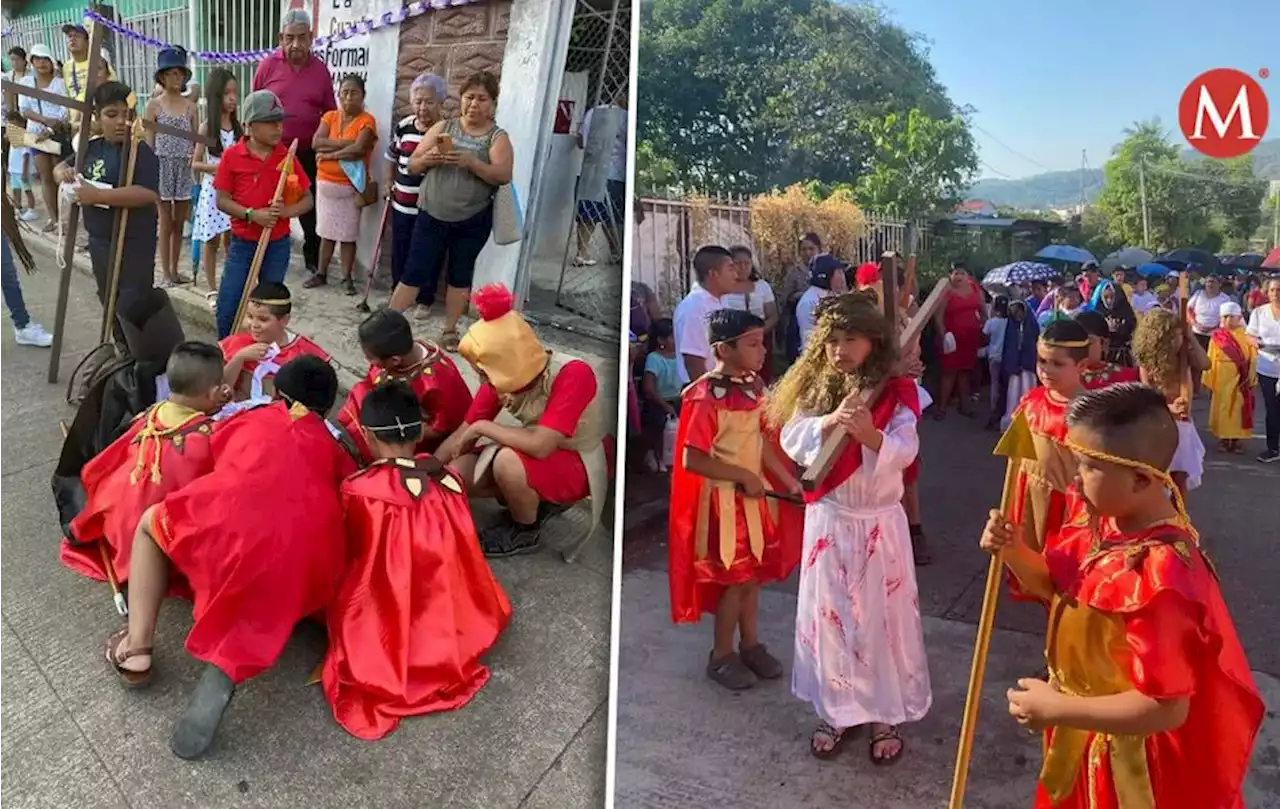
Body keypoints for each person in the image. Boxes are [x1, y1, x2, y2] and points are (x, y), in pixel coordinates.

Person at [981, 383, 1263, 809]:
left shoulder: (1162, 574)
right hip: (1080, 738)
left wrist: (1058, 709)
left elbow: (1166, 708)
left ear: (1140, 479)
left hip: (1129, 767)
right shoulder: (1101, 520)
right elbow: (1059, 589)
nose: (1073, 477)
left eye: (1087, 466)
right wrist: (1014, 552)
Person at [105, 355, 355, 759]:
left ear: (276, 393)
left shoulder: (252, 418)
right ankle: (243, 636)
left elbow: (208, 457)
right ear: (327, 409)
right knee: (278, 558)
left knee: (153, 524)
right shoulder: (333, 446)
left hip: (236, 536)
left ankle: (137, 648)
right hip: (317, 568)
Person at [771, 292, 928, 764]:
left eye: (851, 339)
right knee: (834, 618)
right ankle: (838, 709)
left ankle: (885, 712)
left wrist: (871, 437)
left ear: (873, 342)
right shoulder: (816, 391)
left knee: (882, 620)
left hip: (878, 523)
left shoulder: (897, 391)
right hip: (831, 522)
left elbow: (906, 447)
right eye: (833, 340)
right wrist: (827, 424)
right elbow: (790, 436)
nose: (840, 349)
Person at [320, 381, 511, 741]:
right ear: (420, 429)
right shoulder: (446, 476)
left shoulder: (360, 490)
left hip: (392, 591)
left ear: (367, 434)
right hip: (444, 590)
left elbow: (353, 551)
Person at [669, 308, 801, 690]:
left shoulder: (754, 387)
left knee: (753, 577)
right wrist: (743, 476)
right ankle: (721, 654)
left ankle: (751, 644)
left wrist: (786, 481)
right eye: (753, 344)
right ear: (723, 350)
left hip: (755, 500)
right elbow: (692, 457)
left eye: (762, 343)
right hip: (724, 506)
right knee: (735, 579)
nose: (762, 351)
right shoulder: (703, 396)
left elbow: (760, 443)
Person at [436, 284, 611, 557]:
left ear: (505, 360)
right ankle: (532, 499)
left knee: (508, 462)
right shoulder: (502, 379)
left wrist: (484, 428)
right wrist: (426, 473)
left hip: (579, 458)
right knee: (455, 474)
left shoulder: (574, 374)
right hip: (533, 452)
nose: (481, 379)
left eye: (482, 371)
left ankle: (525, 530)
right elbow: (463, 433)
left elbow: (541, 445)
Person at [60, 341, 225, 588]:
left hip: (116, 523)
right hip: (150, 543)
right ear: (214, 394)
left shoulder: (150, 415)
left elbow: (105, 462)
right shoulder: (207, 438)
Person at [391, 71, 514, 352]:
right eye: (469, 97)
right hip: (431, 213)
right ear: (461, 100)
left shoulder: (497, 137)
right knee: (413, 271)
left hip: (472, 219)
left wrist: (472, 162)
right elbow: (412, 164)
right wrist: (429, 159)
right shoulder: (445, 127)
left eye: (482, 99)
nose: (474, 104)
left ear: (492, 103)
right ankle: (389, 320)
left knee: (459, 276)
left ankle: (449, 330)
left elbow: (503, 174)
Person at [54, 81, 163, 350]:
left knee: (133, 299)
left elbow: (147, 193)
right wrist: (62, 174)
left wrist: (100, 196)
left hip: (134, 242)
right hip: (100, 241)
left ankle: (142, 352)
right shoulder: (91, 149)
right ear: (97, 118)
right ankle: (121, 347)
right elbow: (61, 166)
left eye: (125, 114)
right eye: (110, 115)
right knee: (108, 296)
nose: (119, 122)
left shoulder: (141, 152)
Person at [212, 90, 314, 339]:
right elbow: (222, 200)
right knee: (229, 302)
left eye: (280, 122)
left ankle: (267, 355)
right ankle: (227, 351)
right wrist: (251, 214)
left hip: (276, 244)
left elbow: (308, 199)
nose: (278, 128)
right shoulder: (232, 156)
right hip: (242, 243)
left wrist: (286, 212)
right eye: (270, 122)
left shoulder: (286, 156)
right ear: (250, 125)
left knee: (271, 306)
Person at [252, 8, 334, 277]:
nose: (295, 44)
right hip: (272, 151)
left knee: (309, 208)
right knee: (265, 201)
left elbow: (330, 114)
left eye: (301, 37)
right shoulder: (267, 66)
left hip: (308, 152)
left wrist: (327, 148)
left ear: (311, 37)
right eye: (289, 38)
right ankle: (261, 255)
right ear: (280, 37)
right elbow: (254, 106)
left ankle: (312, 259)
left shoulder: (321, 70)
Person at [337, 308, 472, 463]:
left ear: (394, 361)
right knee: (360, 392)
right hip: (393, 414)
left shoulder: (436, 383)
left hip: (415, 437)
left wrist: (392, 427)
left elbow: (439, 429)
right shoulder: (404, 351)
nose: (370, 363)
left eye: (371, 359)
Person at [1008, 318, 1090, 558]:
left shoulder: (1088, 415)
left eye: (1057, 363)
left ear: (1082, 365)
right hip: (1028, 497)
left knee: (1060, 571)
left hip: (1066, 506)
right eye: (1042, 361)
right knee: (1029, 565)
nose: (1045, 369)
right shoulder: (1031, 400)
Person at [304, 74, 377, 295]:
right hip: (326, 185)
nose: (348, 97)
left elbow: (359, 148)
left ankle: (346, 277)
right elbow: (316, 142)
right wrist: (343, 146)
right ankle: (322, 273)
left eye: (353, 92)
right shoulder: (330, 116)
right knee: (326, 233)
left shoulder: (367, 120)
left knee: (347, 235)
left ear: (363, 95)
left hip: (350, 187)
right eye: (344, 92)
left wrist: (330, 154)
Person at [1131, 308, 1210, 496]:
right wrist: (1169, 408)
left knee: (1180, 476)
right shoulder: (1148, 363)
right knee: (1161, 474)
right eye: (1173, 337)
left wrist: (1191, 337)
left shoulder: (1184, 355)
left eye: (1179, 335)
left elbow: (1205, 364)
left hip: (1183, 424)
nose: (1178, 341)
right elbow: (1147, 396)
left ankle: (1181, 517)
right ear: (1159, 339)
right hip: (1160, 422)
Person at [386, 72, 446, 317]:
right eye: (418, 101)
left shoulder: (445, 131)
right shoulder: (404, 125)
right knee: (400, 249)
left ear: (441, 102)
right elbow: (391, 156)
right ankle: (398, 292)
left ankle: (425, 298)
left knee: (429, 253)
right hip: (402, 202)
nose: (423, 107)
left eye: (429, 101)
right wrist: (388, 183)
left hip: (431, 206)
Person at [218, 282, 330, 400]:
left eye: (263, 319)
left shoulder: (304, 353)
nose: (254, 325)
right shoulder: (237, 343)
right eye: (250, 317)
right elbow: (219, 391)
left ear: (284, 320)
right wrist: (239, 358)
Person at [144, 47, 197, 287]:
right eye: (171, 73)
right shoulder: (153, 106)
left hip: (183, 167)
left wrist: (194, 161)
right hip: (162, 165)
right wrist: (150, 169)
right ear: (162, 77)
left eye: (180, 74)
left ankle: (176, 270)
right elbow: (149, 142)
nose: (176, 78)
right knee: (164, 221)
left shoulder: (190, 106)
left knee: (179, 221)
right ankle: (165, 272)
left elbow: (197, 140)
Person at [190, 69, 242, 303]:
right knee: (210, 241)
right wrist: (220, 169)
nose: (232, 98)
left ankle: (232, 283)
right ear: (215, 96)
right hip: (213, 192)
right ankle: (212, 288)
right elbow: (196, 162)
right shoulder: (206, 128)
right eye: (227, 93)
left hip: (235, 192)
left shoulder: (239, 127)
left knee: (232, 238)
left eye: (235, 93)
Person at [573, 86, 628, 266]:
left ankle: (582, 253)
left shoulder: (593, 112)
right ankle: (615, 252)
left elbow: (581, 141)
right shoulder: (627, 116)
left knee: (587, 214)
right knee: (611, 216)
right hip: (615, 173)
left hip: (590, 169)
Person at [18, 43, 68, 234]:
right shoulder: (26, 83)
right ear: (31, 61)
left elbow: (65, 109)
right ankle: (54, 219)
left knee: (59, 178)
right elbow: (25, 110)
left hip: (56, 133)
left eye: (45, 59)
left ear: (51, 62)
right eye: (37, 59)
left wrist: (51, 127)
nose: (41, 63)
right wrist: (45, 121)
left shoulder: (59, 84)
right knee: (45, 178)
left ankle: (64, 219)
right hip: (36, 136)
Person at [673, 245, 737, 386]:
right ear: (713, 273)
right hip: (702, 391)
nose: (736, 275)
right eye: (730, 268)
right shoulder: (694, 308)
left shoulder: (722, 301)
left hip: (722, 385)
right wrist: (710, 397)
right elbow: (693, 361)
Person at [1203, 301, 1257, 455]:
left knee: (1239, 408)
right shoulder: (1217, 337)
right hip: (1221, 378)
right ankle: (1223, 439)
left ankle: (1237, 439)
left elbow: (1253, 357)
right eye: (1224, 317)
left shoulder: (1247, 335)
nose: (1227, 320)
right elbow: (1210, 358)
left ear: (1239, 317)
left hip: (1241, 378)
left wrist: (1251, 377)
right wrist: (1209, 379)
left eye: (1230, 316)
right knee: (1223, 408)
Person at [934, 261, 985, 419]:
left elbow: (983, 309)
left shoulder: (975, 288)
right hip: (952, 339)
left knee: (965, 371)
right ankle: (941, 408)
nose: (959, 276)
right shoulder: (946, 291)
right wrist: (944, 336)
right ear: (950, 275)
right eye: (955, 273)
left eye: (962, 273)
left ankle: (965, 405)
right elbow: (938, 316)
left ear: (967, 275)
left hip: (971, 336)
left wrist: (985, 326)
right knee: (949, 372)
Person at [722, 245, 777, 379]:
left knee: (762, 375)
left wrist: (758, 333)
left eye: (747, 263)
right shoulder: (724, 287)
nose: (743, 267)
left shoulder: (762, 286)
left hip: (761, 336)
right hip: (735, 339)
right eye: (738, 264)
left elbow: (773, 315)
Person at [1246, 277, 1280, 463]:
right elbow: (1250, 335)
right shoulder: (1259, 312)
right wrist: (1257, 344)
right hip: (1267, 367)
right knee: (1272, 409)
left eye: (1279, 290)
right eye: (1273, 290)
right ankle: (1273, 448)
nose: (1276, 294)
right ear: (1267, 293)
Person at [640, 317, 680, 471]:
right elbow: (649, 389)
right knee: (659, 424)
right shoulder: (654, 359)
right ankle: (656, 456)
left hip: (677, 399)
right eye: (671, 337)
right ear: (660, 340)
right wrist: (665, 405)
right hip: (659, 401)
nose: (676, 340)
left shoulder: (680, 356)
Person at [4, 47, 37, 222]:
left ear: (24, 60)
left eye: (17, 59)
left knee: (24, 150)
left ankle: (30, 208)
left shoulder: (31, 77)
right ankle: (17, 209)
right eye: (11, 59)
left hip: (27, 118)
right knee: (14, 149)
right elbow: (9, 102)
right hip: (13, 119)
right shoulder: (9, 77)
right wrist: (10, 122)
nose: (14, 62)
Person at [781, 232, 823, 361]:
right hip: (799, 317)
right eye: (804, 249)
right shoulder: (795, 271)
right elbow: (785, 296)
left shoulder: (825, 269)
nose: (807, 252)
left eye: (811, 248)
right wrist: (801, 296)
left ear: (819, 249)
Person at [1074, 310, 1140, 391]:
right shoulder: (1064, 376)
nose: (1081, 348)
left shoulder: (1127, 378)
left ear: (1104, 343)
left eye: (1088, 342)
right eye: (1076, 342)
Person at [795, 254, 848, 353]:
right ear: (826, 276)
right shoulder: (809, 302)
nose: (843, 278)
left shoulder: (835, 296)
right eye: (839, 273)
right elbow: (809, 341)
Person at [998, 299, 1038, 430]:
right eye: (1014, 312)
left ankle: (1029, 420)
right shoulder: (1010, 327)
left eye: (1019, 311)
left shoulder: (1031, 326)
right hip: (1014, 366)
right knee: (1013, 394)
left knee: (1028, 391)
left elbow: (1034, 345)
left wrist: (1027, 361)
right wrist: (1013, 363)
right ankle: (1011, 420)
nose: (1018, 315)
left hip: (1028, 366)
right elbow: (1008, 347)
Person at [1085, 280, 1136, 365]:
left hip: (1122, 356)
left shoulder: (1126, 312)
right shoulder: (1094, 315)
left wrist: (1119, 328)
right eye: (1106, 297)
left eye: (1112, 297)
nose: (1109, 301)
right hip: (1100, 357)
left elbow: (1131, 329)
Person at [981, 295, 1009, 428]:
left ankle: (993, 409)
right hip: (1006, 356)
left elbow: (985, 336)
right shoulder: (1010, 322)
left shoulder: (991, 322)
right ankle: (1005, 408)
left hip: (993, 356)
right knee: (1005, 385)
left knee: (994, 384)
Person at [1187, 274, 1231, 352]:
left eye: (1212, 282)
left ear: (1219, 284)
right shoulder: (1198, 294)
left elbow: (1227, 316)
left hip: (1214, 335)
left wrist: (1214, 327)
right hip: (1196, 332)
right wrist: (1195, 323)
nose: (1209, 284)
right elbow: (1189, 309)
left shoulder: (1225, 299)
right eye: (1207, 282)